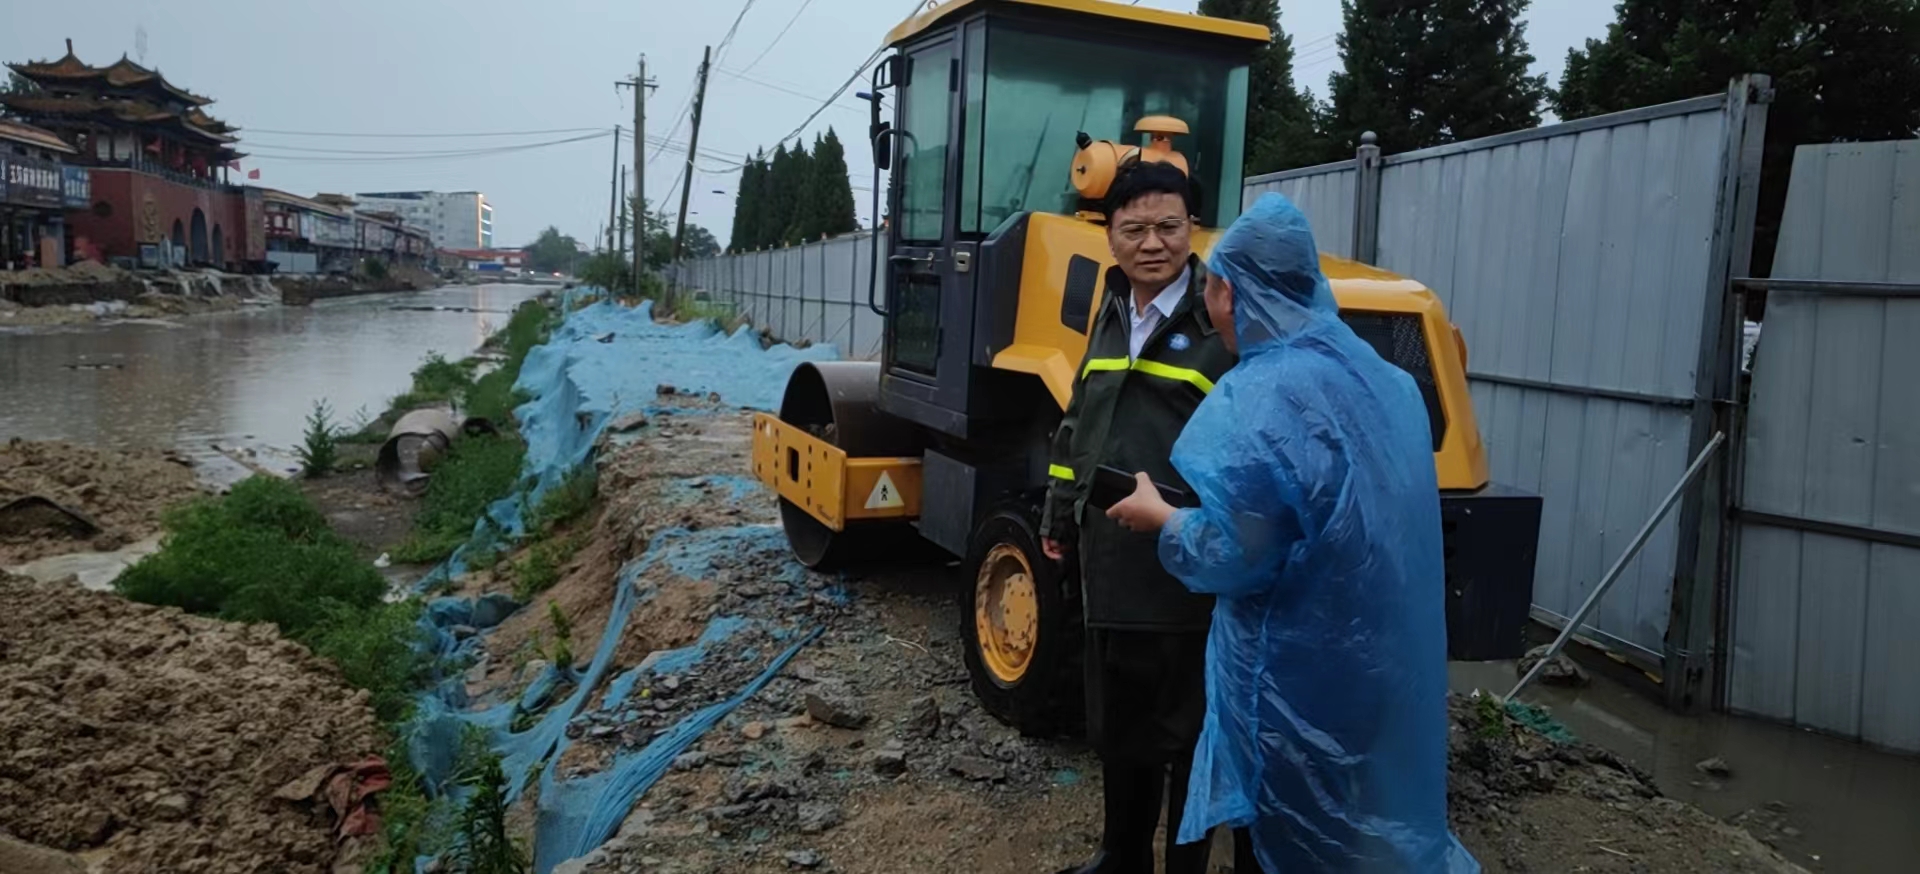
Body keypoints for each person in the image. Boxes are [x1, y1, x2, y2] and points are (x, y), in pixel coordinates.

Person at [1106, 193, 1480, 873]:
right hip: (1374, 660)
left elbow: (1236, 554)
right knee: (1355, 824)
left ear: (1228, 291)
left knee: (1291, 827)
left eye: (1212, 286)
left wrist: (1161, 517)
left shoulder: (1260, 395)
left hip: (1291, 669)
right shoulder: (1388, 381)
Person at [1041, 159, 1237, 874]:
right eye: (1134, 229)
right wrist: (1058, 515)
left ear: (1193, 229)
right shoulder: (1113, 308)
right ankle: (1121, 857)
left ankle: (1184, 865)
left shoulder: (1222, 322)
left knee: (1187, 733)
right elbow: (1078, 422)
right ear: (1109, 235)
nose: (1152, 243)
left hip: (1185, 568)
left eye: (1168, 226)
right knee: (1119, 726)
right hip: (1110, 561)